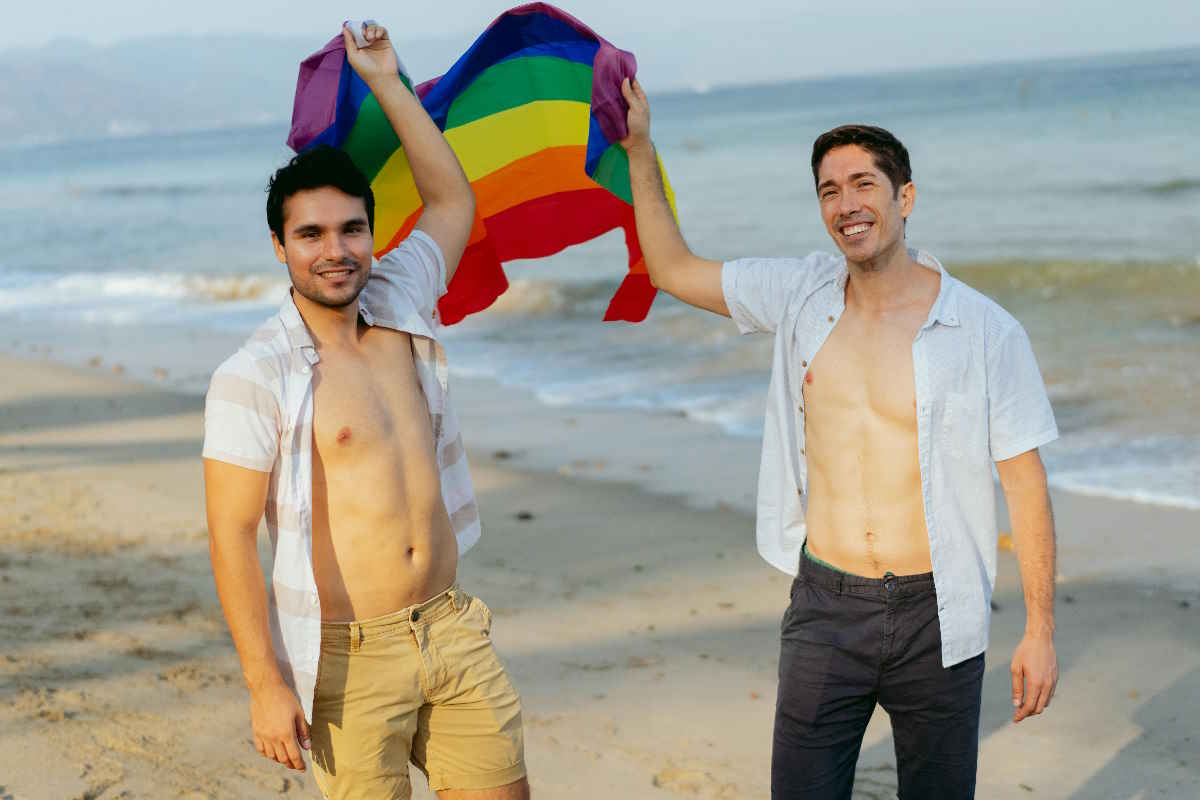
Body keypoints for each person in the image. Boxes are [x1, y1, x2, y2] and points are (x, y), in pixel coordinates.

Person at [617, 77, 1060, 799]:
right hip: (826, 603)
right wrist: (640, 148)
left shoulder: (983, 330)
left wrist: (1039, 630)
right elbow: (671, 269)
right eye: (829, 190)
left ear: (904, 198)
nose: (846, 204)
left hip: (938, 611)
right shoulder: (801, 294)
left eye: (863, 184)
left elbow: (1025, 480)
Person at [202, 23, 529, 800]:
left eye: (352, 229)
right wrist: (264, 683)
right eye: (310, 234)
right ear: (279, 247)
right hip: (347, 661)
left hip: (450, 627)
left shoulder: (401, 299)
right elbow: (231, 535)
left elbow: (452, 198)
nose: (336, 250)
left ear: (373, 234)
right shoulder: (253, 374)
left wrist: (387, 81)